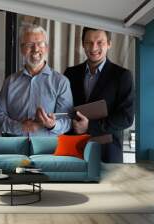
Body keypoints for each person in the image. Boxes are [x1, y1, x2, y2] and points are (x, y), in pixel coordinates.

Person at [64, 27, 134, 163]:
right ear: (83, 44)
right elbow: (64, 109)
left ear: (109, 44)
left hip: (108, 153)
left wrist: (89, 126)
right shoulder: (70, 74)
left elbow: (126, 118)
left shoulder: (122, 76)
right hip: (74, 150)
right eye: (88, 42)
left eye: (99, 42)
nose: (93, 47)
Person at [0, 24, 73, 136]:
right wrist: (20, 127)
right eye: (30, 45)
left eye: (40, 44)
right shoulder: (10, 82)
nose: (35, 49)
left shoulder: (61, 82)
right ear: (21, 49)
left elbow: (68, 120)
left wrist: (52, 124)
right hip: (14, 150)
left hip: (47, 151)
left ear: (47, 48)